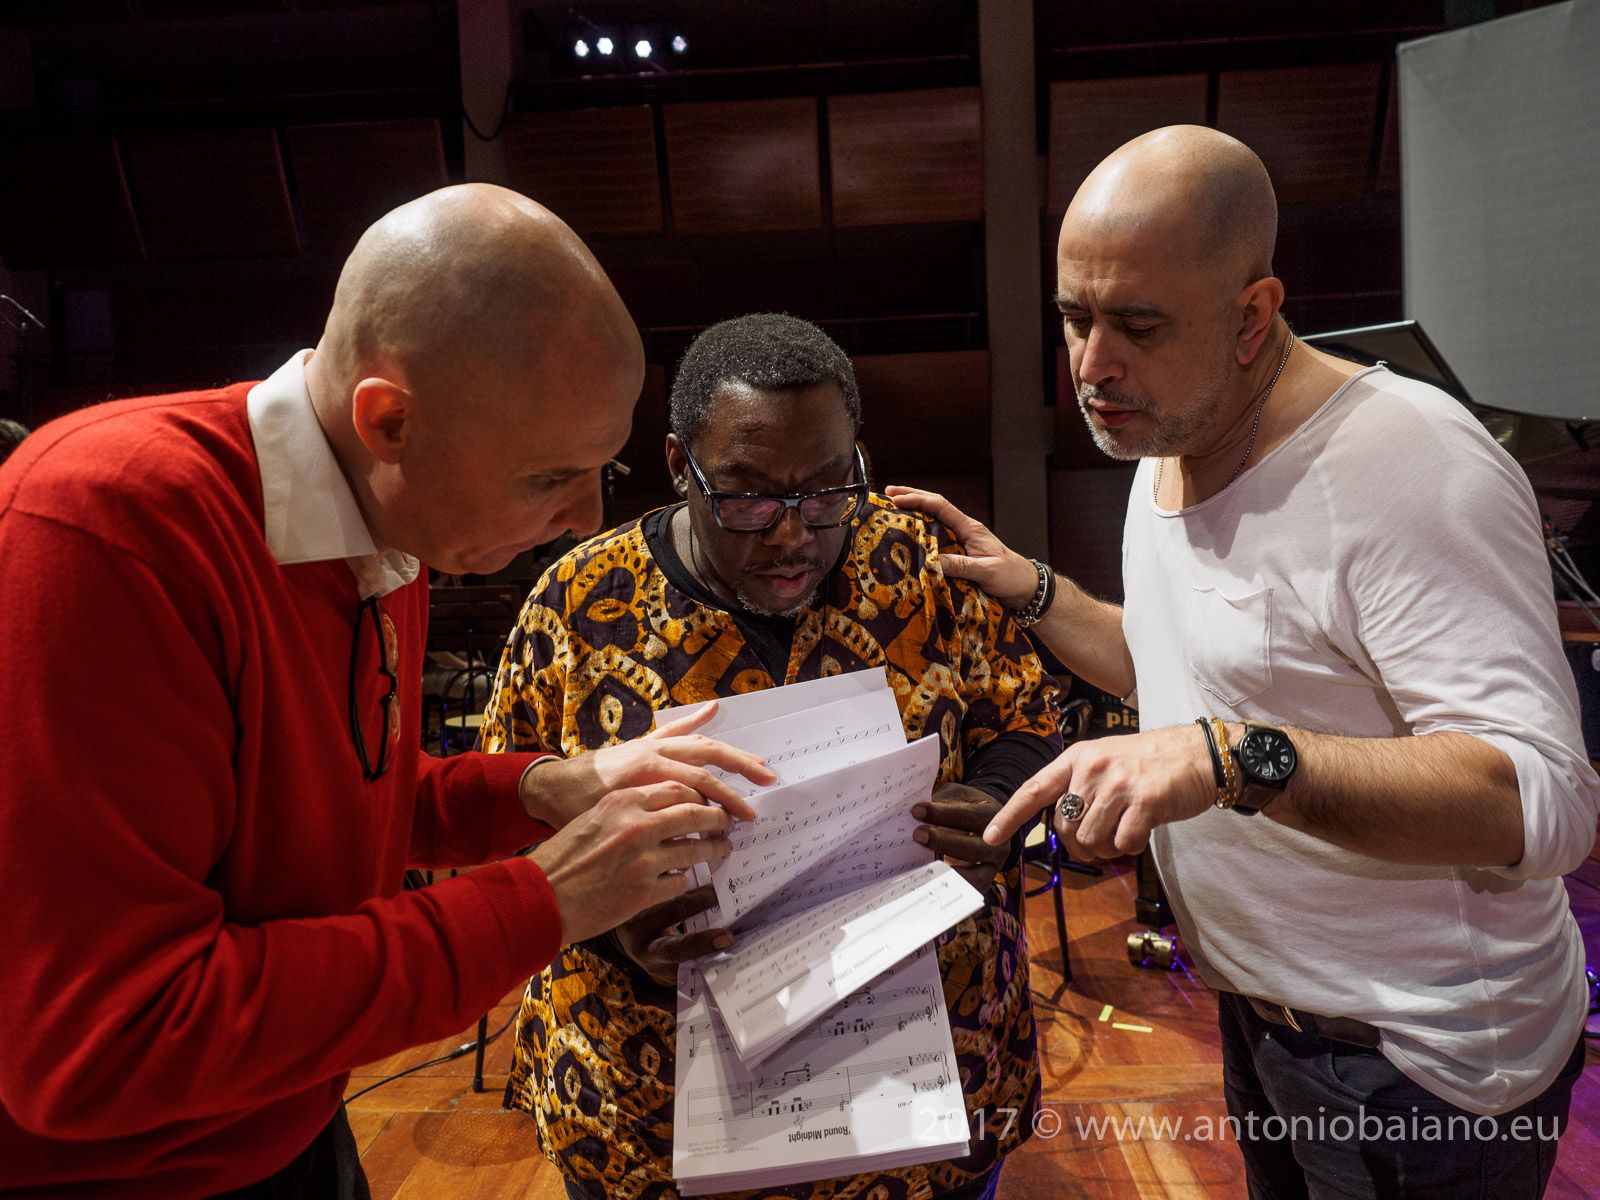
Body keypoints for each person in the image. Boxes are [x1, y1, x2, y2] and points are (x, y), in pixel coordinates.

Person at [0, 185, 775, 1198]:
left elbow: (335, 810)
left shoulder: (390, 525)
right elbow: (103, 1046)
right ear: (391, 421)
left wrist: (545, 787)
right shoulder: (109, 529)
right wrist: (543, 899)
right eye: (550, 476)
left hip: (289, 1120)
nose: (587, 518)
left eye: (604, 468)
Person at [890, 126, 1598, 1199]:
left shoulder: (1410, 466)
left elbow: (1543, 805)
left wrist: (1235, 759)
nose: (1091, 366)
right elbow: (1181, 671)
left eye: (1135, 325)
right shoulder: (1170, 435)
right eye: (1074, 319)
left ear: (1253, 315)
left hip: (1420, 1067)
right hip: (1272, 1022)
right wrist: (1035, 590)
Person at [477, 312, 1063, 1200]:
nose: (792, 535)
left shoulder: (918, 565)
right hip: (655, 1115)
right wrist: (598, 920)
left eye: (828, 491)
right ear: (680, 467)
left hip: (920, 1094)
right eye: (746, 497)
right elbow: (503, 814)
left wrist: (997, 801)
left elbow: (1025, 713)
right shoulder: (576, 603)